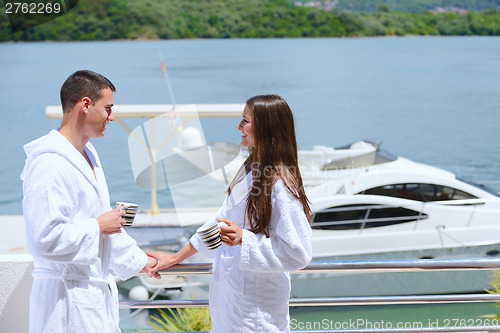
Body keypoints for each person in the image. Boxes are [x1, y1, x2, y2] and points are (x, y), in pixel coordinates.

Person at [147, 94, 312, 332]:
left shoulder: (280, 184)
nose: (239, 126)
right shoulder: (250, 171)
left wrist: (245, 239)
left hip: (257, 315)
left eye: (245, 121)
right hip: (230, 307)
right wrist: (174, 258)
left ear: (265, 128)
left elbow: (299, 253)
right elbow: (219, 223)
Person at [20, 70, 160, 333]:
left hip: (89, 300)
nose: (112, 117)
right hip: (64, 307)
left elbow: (105, 233)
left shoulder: (88, 156)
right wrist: (97, 226)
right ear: (85, 104)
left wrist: (143, 261)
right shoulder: (49, 164)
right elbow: (43, 239)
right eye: (108, 108)